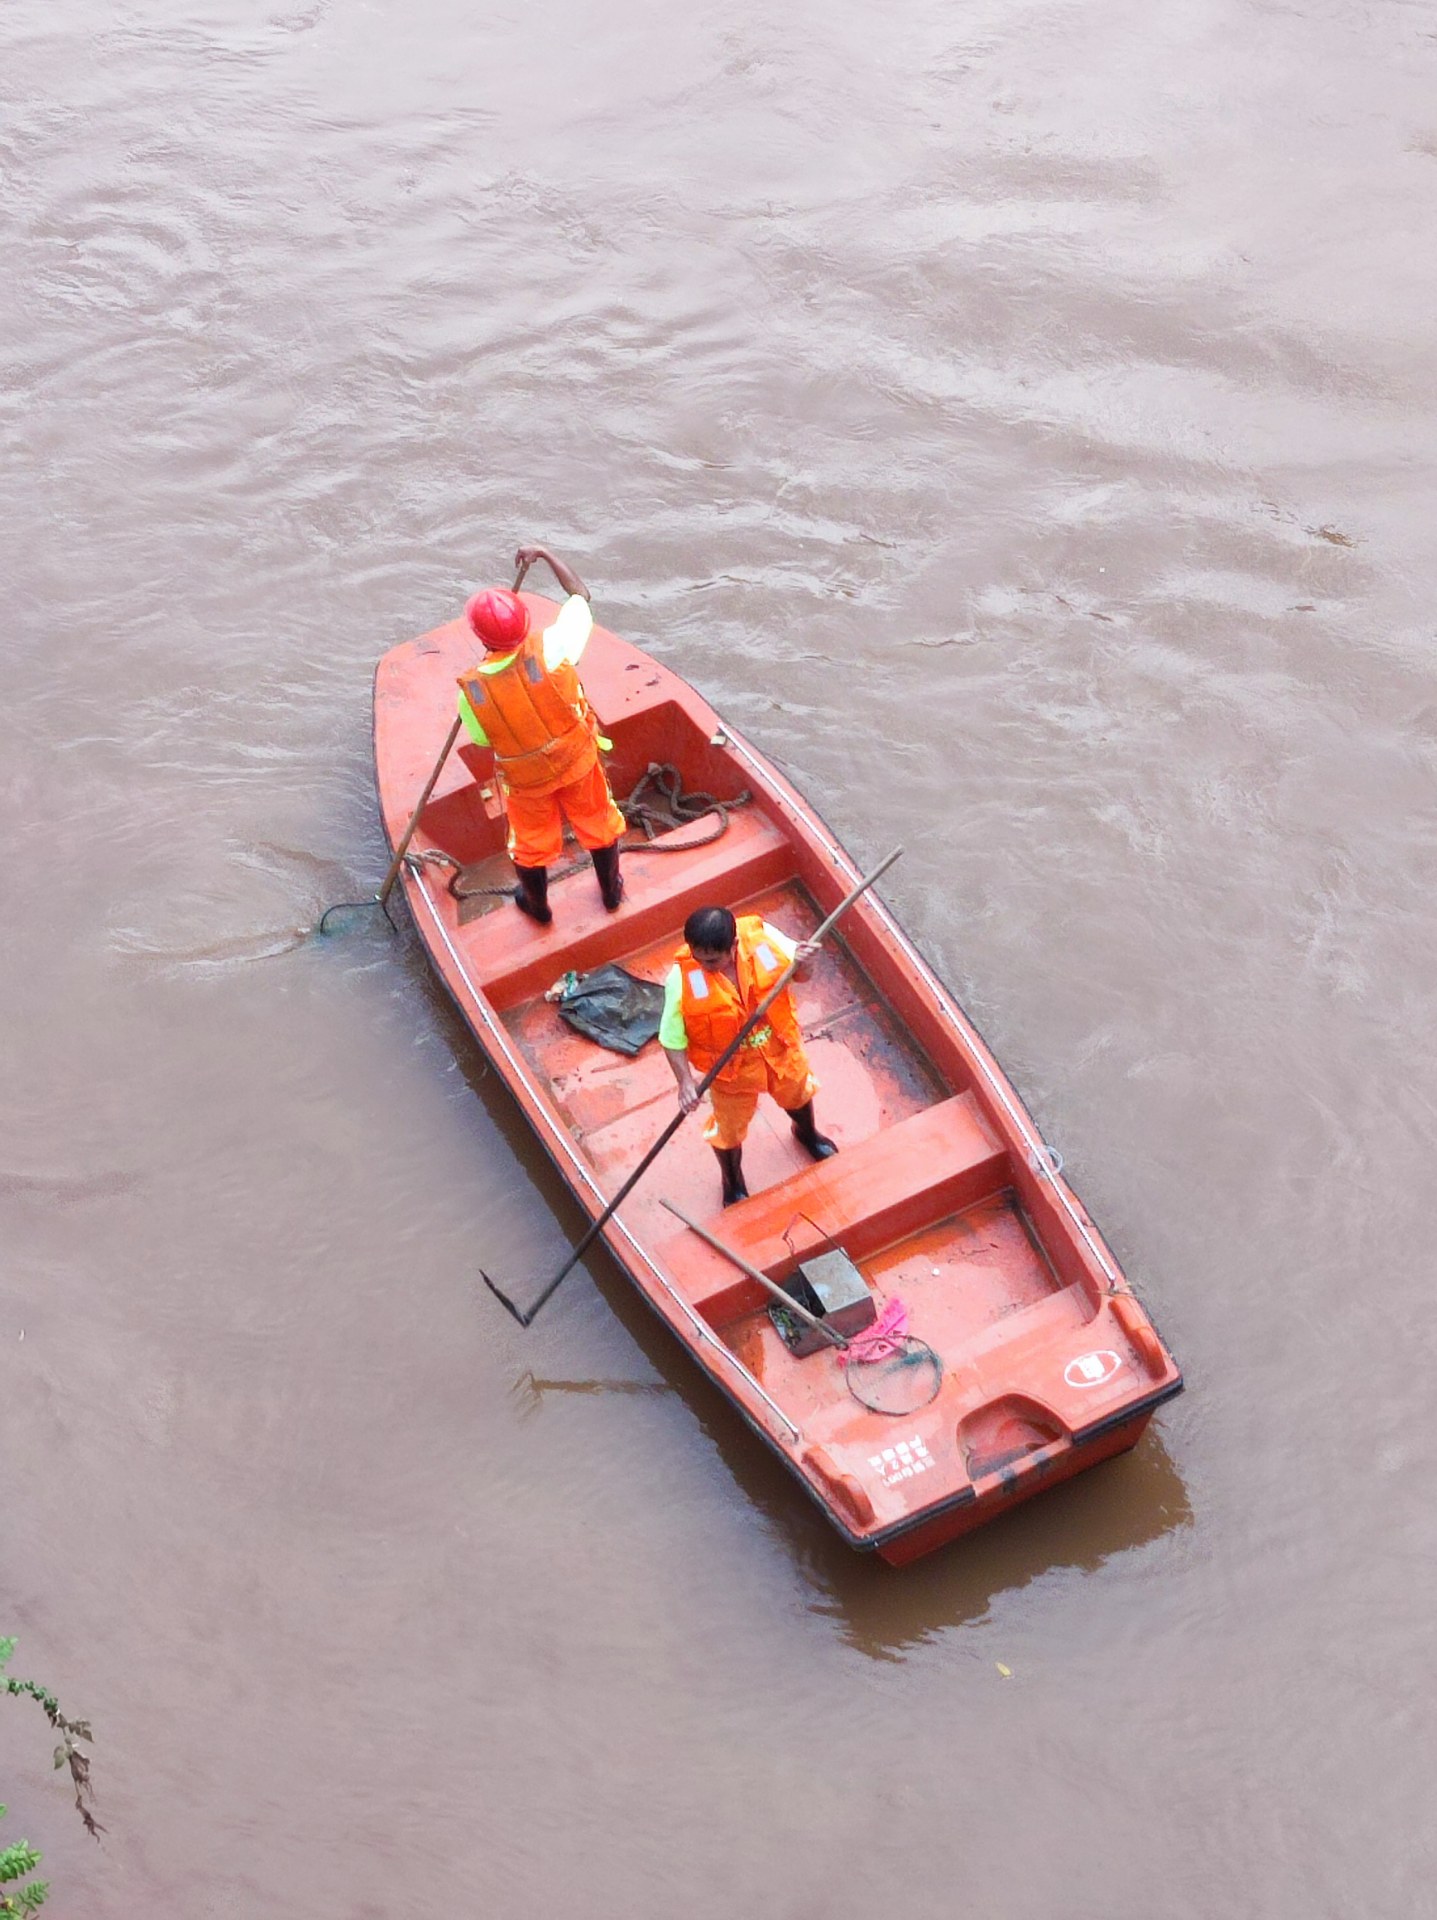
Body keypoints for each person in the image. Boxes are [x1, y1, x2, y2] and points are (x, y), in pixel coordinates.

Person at [456, 545, 626, 925]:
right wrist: (546, 555)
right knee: (598, 823)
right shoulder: (555, 645)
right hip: (578, 761)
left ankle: (538, 906)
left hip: (527, 782)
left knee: (530, 845)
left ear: (481, 638)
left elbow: (483, 740)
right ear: (526, 623)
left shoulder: (472, 693)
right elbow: (580, 594)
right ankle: (611, 891)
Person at [661, 905, 837, 1207]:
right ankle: (732, 1181)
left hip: (779, 1050)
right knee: (727, 1131)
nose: (705, 965)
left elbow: (802, 975)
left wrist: (806, 963)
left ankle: (807, 1134)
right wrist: (685, 1083)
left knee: (798, 1094)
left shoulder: (764, 939)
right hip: (730, 1071)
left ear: (734, 946)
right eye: (699, 958)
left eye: (713, 960)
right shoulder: (681, 978)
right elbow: (671, 1037)